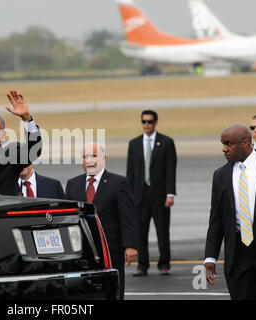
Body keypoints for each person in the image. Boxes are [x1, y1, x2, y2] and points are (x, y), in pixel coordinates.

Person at [65, 142, 138, 299]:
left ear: (104, 158)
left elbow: (128, 216)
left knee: (113, 292)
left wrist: (130, 245)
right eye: (85, 157)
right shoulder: (73, 184)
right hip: (81, 253)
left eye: (94, 156)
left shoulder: (119, 183)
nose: (89, 160)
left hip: (110, 251)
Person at [204, 123, 256, 300]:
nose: (224, 149)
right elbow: (216, 219)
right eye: (223, 144)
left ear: (245, 142)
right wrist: (210, 257)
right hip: (237, 253)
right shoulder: (220, 175)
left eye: (229, 144)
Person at [127, 109, 177, 276]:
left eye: (149, 121)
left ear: (155, 122)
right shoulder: (134, 144)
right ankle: (142, 265)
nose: (146, 124)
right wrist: (129, 195)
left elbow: (171, 170)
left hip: (160, 195)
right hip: (139, 195)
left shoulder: (167, 142)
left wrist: (170, 193)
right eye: (144, 121)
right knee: (140, 232)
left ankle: (164, 264)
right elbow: (130, 173)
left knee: (162, 231)